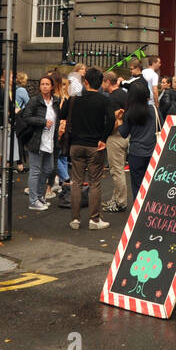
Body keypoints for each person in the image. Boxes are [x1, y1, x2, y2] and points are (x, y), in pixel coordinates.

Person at [61, 66, 115, 230]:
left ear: (85, 82)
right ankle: (94, 219)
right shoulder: (104, 100)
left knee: (76, 182)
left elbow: (62, 114)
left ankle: (75, 219)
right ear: (100, 83)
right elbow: (111, 120)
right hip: (95, 146)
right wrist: (103, 138)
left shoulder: (74, 98)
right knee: (95, 183)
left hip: (76, 144)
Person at [18, 76, 60, 211]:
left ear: (52, 86)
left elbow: (57, 118)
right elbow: (26, 117)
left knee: (48, 168)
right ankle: (33, 200)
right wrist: (42, 122)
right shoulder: (35, 101)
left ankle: (40, 196)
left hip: (50, 140)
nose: (45, 86)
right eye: (42, 84)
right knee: (35, 170)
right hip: (36, 140)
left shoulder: (55, 101)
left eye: (47, 84)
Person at [121, 78, 157, 201]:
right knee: (152, 184)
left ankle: (139, 210)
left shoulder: (130, 112)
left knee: (137, 185)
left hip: (136, 152)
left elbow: (124, 133)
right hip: (153, 151)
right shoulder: (154, 110)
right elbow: (162, 127)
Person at [101, 71, 130, 213]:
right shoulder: (125, 94)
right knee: (120, 169)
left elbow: (110, 121)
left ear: (108, 82)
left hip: (115, 135)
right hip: (127, 133)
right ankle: (116, 198)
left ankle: (120, 202)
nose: (101, 85)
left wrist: (103, 137)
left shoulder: (111, 99)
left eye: (103, 82)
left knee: (117, 170)